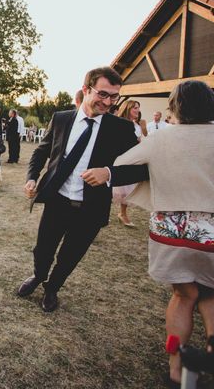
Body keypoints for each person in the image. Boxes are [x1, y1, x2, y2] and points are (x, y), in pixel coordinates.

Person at [89, 80, 214, 386]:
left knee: (183, 294)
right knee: (213, 292)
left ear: (176, 106)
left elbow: (125, 167)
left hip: (170, 232)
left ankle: (176, 368)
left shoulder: (162, 139)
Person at [19, 67, 146, 312]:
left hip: (91, 207)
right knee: (43, 248)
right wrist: (32, 177)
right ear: (86, 89)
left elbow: (141, 169)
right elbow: (42, 151)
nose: (108, 102)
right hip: (57, 200)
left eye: (114, 97)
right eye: (103, 94)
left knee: (70, 256)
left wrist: (108, 173)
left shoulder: (120, 128)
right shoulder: (61, 118)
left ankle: (52, 288)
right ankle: (38, 276)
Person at [112, 99, 144, 227]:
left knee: (127, 188)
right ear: (128, 108)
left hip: (132, 159)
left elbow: (140, 140)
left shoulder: (137, 125)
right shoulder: (118, 123)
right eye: (135, 108)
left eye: (138, 108)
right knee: (112, 186)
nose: (137, 110)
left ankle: (122, 213)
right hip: (119, 158)